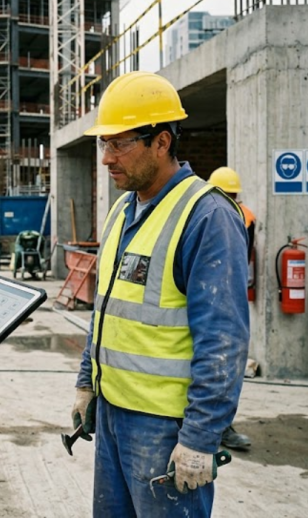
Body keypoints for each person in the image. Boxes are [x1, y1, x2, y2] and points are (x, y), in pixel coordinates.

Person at [71, 71, 249, 517]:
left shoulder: (206, 216)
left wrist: (200, 437)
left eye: (120, 144)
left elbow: (223, 341)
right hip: (113, 414)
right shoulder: (122, 209)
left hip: (166, 429)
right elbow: (105, 309)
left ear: (162, 142)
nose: (107, 158)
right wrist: (87, 383)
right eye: (104, 144)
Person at [208, 166, 255, 450]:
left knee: (225, 362)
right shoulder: (208, 215)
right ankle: (215, 425)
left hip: (229, 291)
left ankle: (221, 425)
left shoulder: (240, 217)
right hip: (212, 291)